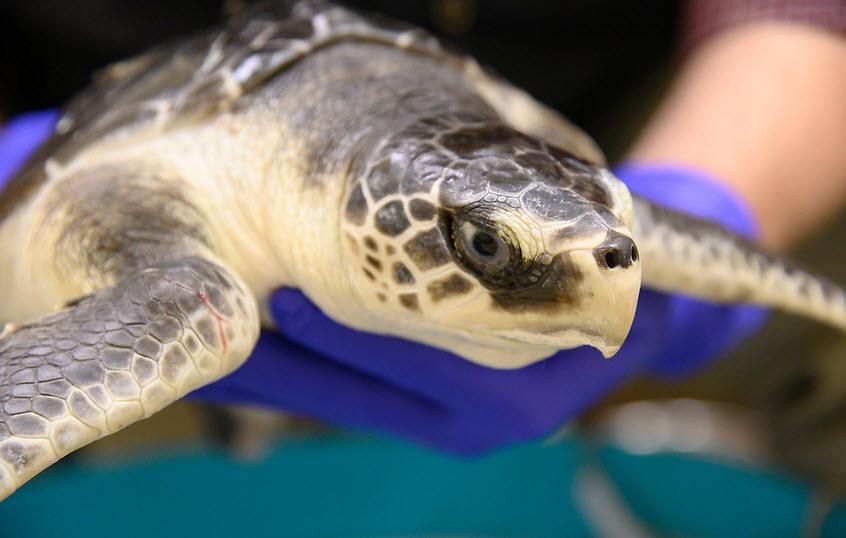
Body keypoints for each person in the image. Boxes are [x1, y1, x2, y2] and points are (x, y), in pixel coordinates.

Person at [0, 1, 844, 455]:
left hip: (623, 98)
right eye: (487, 248)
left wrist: (720, 196)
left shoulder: (578, 221)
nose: (603, 283)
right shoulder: (189, 258)